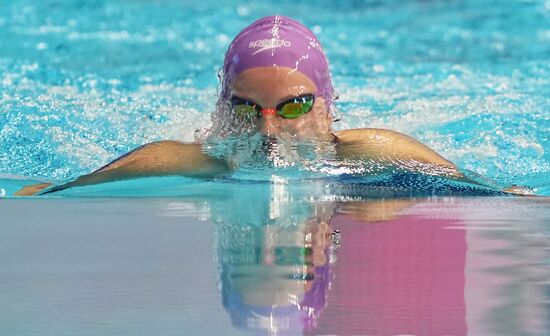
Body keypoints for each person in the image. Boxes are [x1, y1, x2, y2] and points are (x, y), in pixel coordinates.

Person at [15, 15, 516, 196]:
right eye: (247, 109)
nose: (269, 131)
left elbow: (485, 188)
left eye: (294, 107)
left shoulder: (371, 150)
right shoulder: (186, 158)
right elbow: (58, 190)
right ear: (222, 108)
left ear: (327, 107)